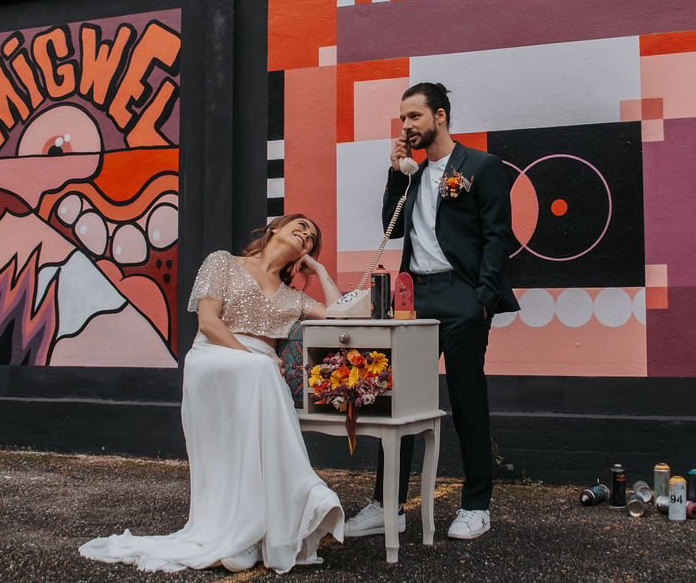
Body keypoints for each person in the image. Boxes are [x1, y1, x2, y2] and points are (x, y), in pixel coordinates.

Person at [79, 214, 345, 574]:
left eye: (311, 237)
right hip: (214, 356)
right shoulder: (222, 262)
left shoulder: (293, 298)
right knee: (264, 369)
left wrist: (320, 269)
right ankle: (304, 492)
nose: (306, 234)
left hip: (258, 374)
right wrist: (251, 355)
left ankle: (250, 532)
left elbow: (337, 315)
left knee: (263, 379)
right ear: (274, 229)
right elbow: (207, 321)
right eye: (299, 225)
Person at [344, 82, 520, 541]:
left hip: (462, 297)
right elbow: (393, 226)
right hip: (413, 299)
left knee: (466, 402)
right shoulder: (414, 174)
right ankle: (388, 506)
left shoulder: (481, 166)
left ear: (440, 116)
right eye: (403, 119)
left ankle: (476, 504)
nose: (406, 126)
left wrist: (482, 300)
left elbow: (499, 237)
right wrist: (396, 174)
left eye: (414, 117)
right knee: (396, 402)